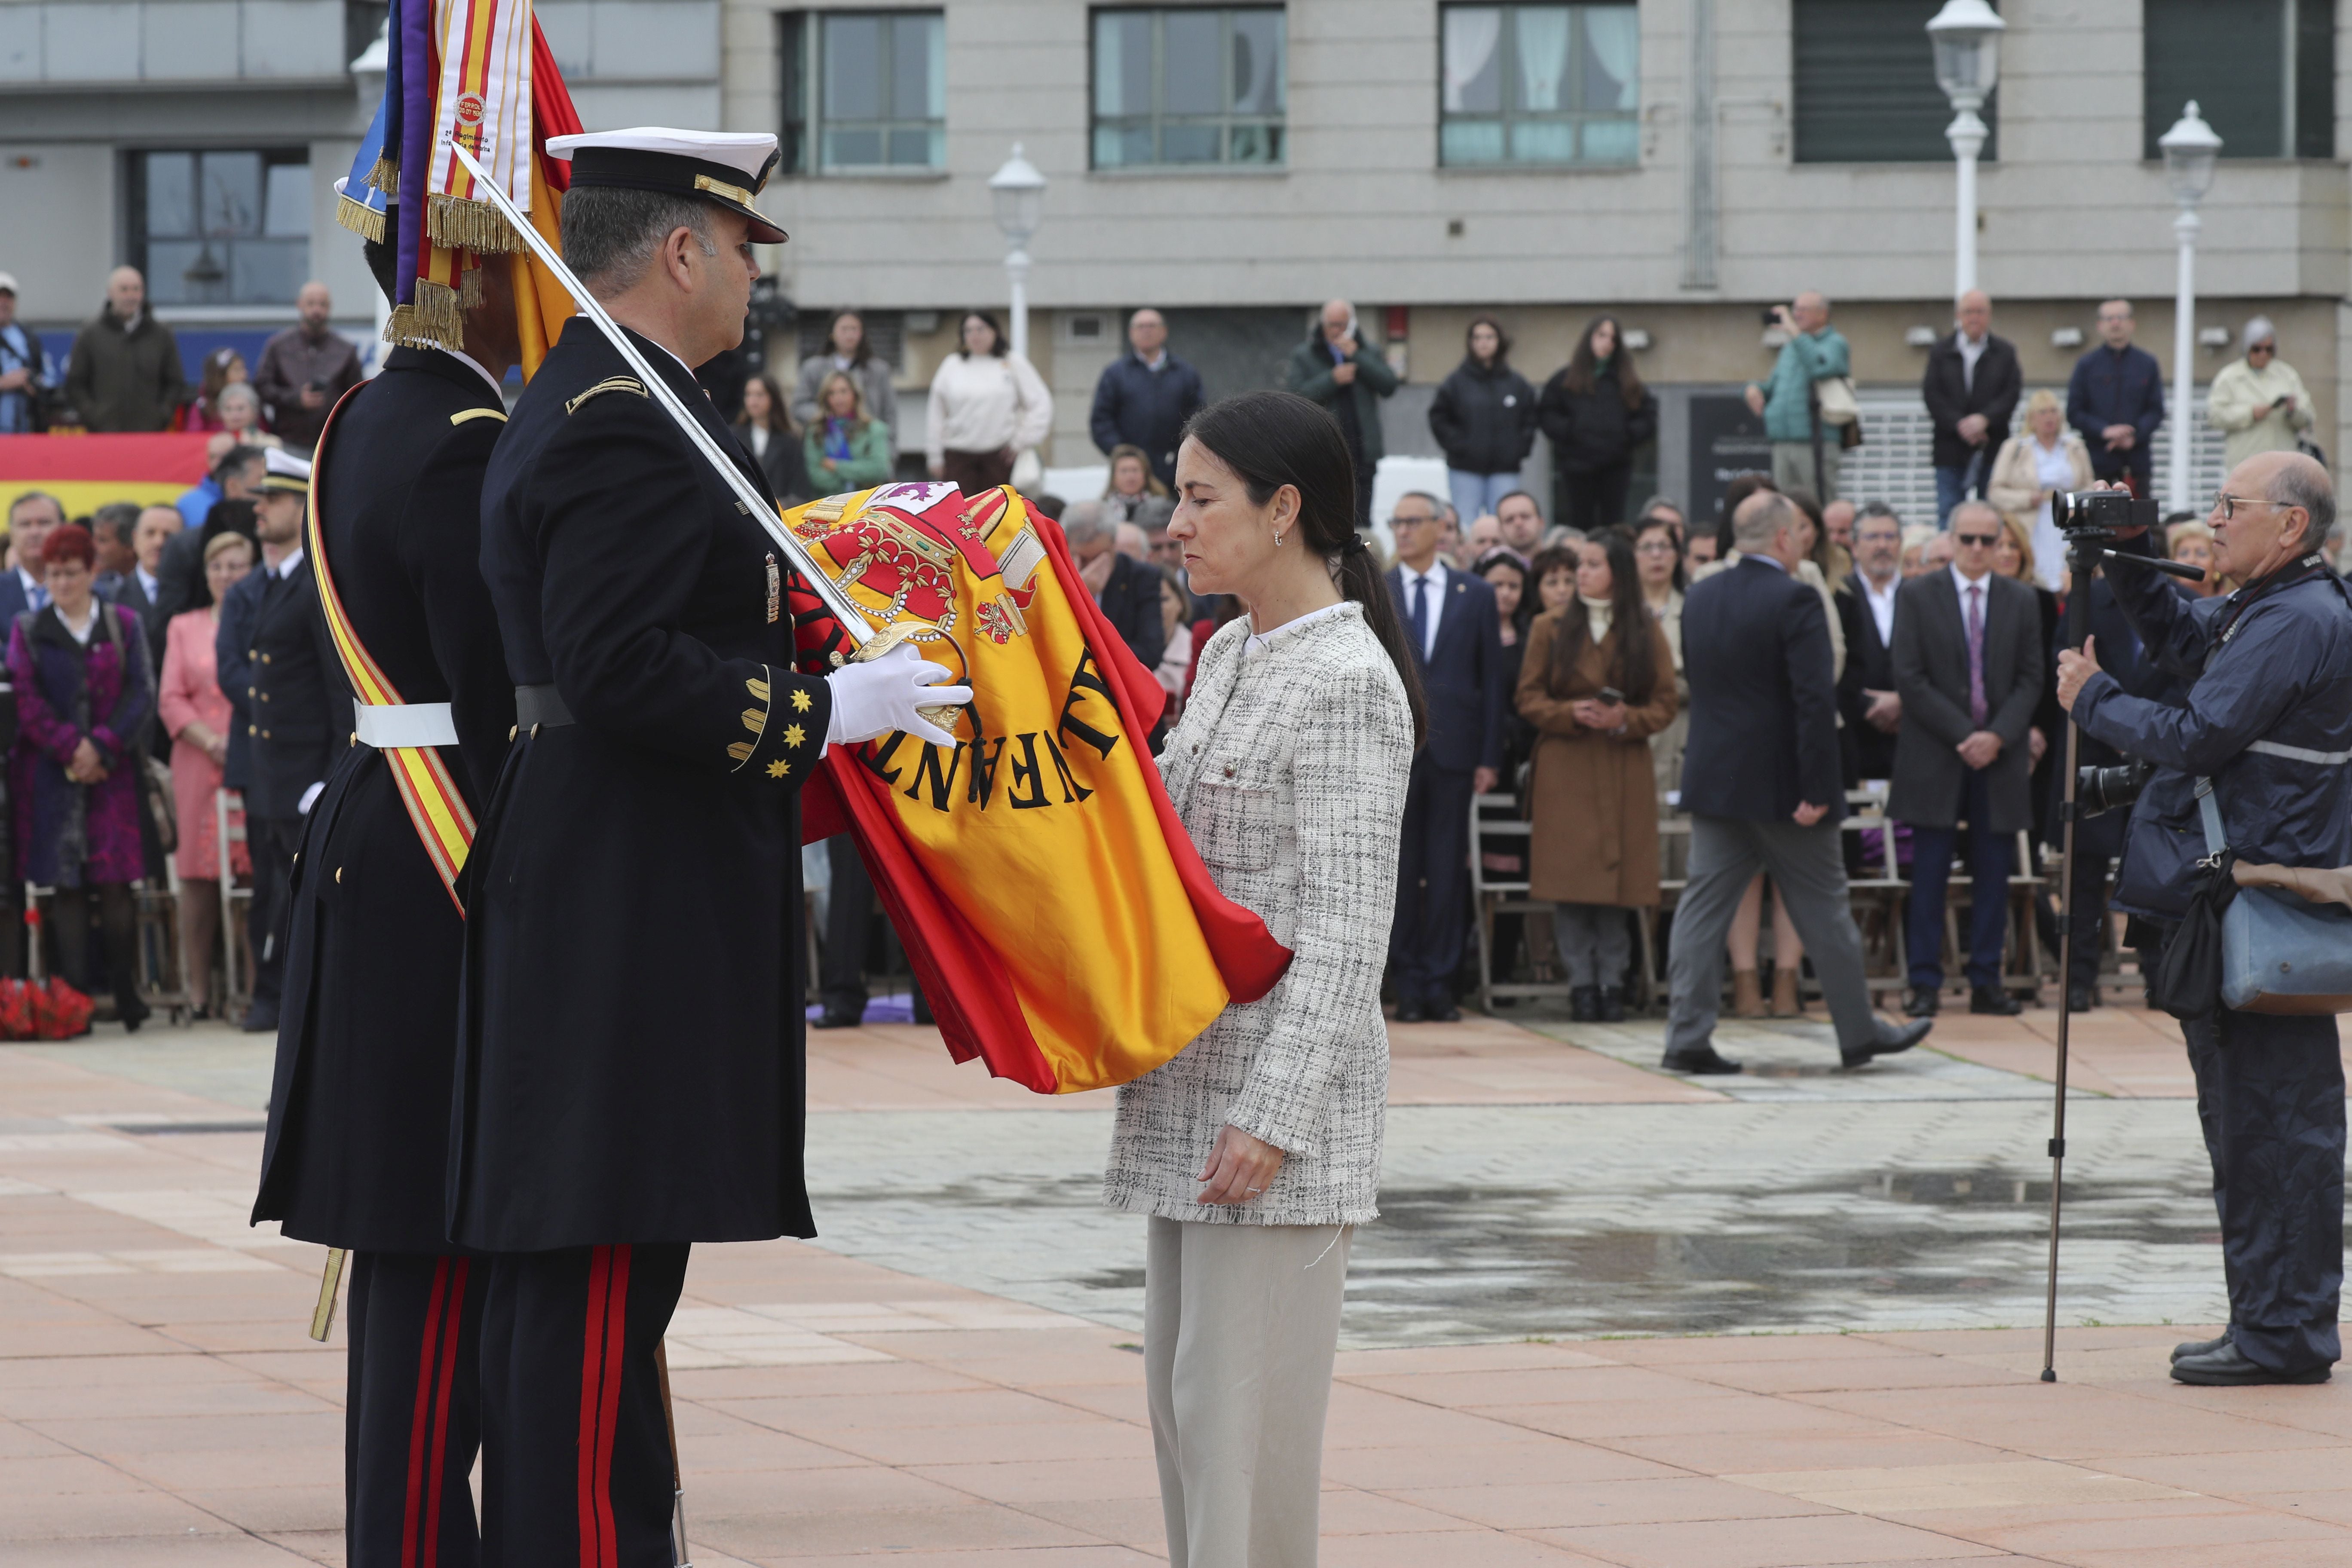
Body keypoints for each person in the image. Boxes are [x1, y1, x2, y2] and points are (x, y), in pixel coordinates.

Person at [457, 128, 971, 1558]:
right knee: (597, 1259)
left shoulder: (619, 399)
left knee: (602, 1265)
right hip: (625, 885)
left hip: (609, 870)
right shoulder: (626, 416)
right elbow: (614, 662)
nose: (757, 277)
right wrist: (823, 711)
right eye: (745, 247)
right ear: (682, 250)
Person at [248, 233, 527, 1564]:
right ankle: (415, 1539)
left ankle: (410, 1529)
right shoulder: (471, 433)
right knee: (434, 1228)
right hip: (445, 830)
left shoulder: (362, 409)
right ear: (474, 277)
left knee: (414, 1240)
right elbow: (492, 677)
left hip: (376, 814)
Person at [1102, 388, 1416, 1568]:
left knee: (1246, 1447)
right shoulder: (1232, 648)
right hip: (1199, 1091)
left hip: (1271, 1123)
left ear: (1285, 511)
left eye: (1200, 497)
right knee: (1189, 1421)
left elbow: (1347, 931)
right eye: (1176, 495)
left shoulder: (1346, 681)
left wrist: (1275, 1120)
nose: (1174, 523)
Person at [2057, 451, 2352, 1387]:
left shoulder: (2296, 618)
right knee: (2261, 1125)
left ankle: (2281, 1335)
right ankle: (2274, 1324)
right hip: (2248, 900)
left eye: (2232, 507)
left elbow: (2197, 734)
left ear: (2292, 526)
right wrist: (2129, 558)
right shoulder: (2278, 607)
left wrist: (2091, 699)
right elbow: (2193, 648)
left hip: (2259, 904)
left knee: (2271, 1129)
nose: (2216, 521)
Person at [1665, 490, 1935, 1074]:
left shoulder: (1701, 597)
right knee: (1826, 911)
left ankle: (1686, 1036)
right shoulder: (1797, 600)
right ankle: (1859, 1033)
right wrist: (1818, 787)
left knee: (1701, 910)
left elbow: (1706, 687)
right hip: (1788, 790)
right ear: (1785, 538)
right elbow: (1814, 703)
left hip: (1715, 783)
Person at [1888, 501, 2042, 1017]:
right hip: (1936, 754)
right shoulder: (1916, 594)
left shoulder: (2021, 600)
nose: (1977, 549)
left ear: (2000, 543)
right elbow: (1908, 676)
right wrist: (1965, 735)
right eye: (1968, 539)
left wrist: (1996, 737)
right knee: (1929, 873)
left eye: (1987, 540)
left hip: (1998, 759)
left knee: (1993, 874)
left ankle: (1985, 980)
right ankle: (1925, 982)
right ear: (1951, 541)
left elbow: (2031, 678)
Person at [1517, 530, 1676, 1022]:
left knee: (1619, 882)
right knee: (1572, 882)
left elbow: (1665, 702)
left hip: (1622, 762)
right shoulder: (1550, 626)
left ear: (1617, 573)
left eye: (1592, 565)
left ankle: (1613, 983)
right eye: (1581, 564)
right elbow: (1527, 697)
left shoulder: (1645, 628)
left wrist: (1625, 719)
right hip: (1568, 766)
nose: (1581, 574)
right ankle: (1582, 986)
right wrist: (1571, 713)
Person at [9, 524, 155, 1029]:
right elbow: (27, 701)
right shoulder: (28, 629)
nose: (63, 584)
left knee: (117, 886)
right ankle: (75, 1004)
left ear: (93, 572)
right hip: (53, 777)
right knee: (66, 887)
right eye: (53, 574)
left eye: (72, 573)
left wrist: (104, 746)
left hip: (112, 777)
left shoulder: (124, 624)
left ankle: (125, 992)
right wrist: (72, 748)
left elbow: (142, 693)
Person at [214, 448, 331, 1033]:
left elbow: (336, 686)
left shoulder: (314, 580)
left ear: (305, 504)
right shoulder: (269, 585)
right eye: (259, 498)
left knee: (299, 899)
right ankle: (275, 1000)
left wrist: (330, 774)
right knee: (272, 894)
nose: (261, 509)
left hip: (305, 773)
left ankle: (294, 1003)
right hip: (271, 772)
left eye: (275, 499)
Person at [1383, 490, 1505, 1022]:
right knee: (1402, 872)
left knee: (1448, 872)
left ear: (1441, 528)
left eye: (1414, 522)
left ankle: (1441, 985)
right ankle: (1407, 985)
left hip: (1456, 753)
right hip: (1398, 751)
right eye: (1397, 522)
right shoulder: (1380, 590)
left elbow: (1492, 681)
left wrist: (1490, 756)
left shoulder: (1474, 593)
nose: (1404, 531)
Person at [158, 532, 254, 1019]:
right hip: (198, 758)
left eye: (236, 567)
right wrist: (210, 741)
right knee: (196, 880)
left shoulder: (260, 617)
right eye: (218, 567)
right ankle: (199, 991)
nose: (226, 576)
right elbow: (170, 697)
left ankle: (253, 988)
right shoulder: (184, 625)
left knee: (250, 876)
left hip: (250, 753)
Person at [1539, 314, 1658, 534]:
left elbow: (1648, 415)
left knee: (1613, 525)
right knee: (1579, 523)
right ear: (1589, 338)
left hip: (1615, 465)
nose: (1607, 342)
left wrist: (1627, 435)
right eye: (1601, 335)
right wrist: (1570, 431)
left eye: (1613, 338)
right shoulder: (1566, 379)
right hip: (1577, 465)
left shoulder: (1627, 380)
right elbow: (1547, 413)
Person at [1286, 300, 1399, 530]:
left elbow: (1389, 385)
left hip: (1363, 448)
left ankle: (1360, 562)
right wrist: (1332, 380)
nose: (1337, 331)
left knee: (1362, 520)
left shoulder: (1368, 350)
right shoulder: (1305, 355)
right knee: (1328, 514)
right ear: (1322, 324)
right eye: (1332, 325)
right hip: (1324, 449)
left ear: (1352, 325)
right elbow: (1295, 396)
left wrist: (1358, 357)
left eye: (1342, 325)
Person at [1922, 290, 2022, 524]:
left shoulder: (2005, 352)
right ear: (1958, 315)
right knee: (1949, 514)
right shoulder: (1940, 352)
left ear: (1989, 315)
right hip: (1950, 449)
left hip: (1992, 447)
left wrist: (1985, 420)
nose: (1974, 318)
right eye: (1969, 312)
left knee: (1993, 515)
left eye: (1980, 312)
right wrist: (1960, 424)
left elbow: (2011, 394)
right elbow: (1932, 396)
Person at [925, 309, 1051, 494]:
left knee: (997, 514)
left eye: (980, 329)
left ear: (995, 331)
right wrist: (934, 455)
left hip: (1000, 458)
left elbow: (1040, 403)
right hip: (958, 457)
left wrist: (1022, 440)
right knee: (960, 515)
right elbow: (936, 412)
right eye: (968, 331)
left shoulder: (1011, 363)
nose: (975, 336)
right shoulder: (952, 365)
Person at [1428, 314, 1537, 525]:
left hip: (1505, 470)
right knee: (1466, 525)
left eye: (1489, 337)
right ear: (1470, 343)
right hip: (1465, 470)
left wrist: (1519, 448)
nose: (1483, 342)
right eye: (1477, 338)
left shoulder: (1516, 384)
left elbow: (1531, 418)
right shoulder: (1456, 382)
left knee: (1506, 523)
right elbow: (1439, 417)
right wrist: (1459, 445)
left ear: (1500, 341)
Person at [1744, 292, 1850, 502]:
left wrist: (1795, 333)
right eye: (1795, 310)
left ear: (1823, 315)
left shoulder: (1835, 343)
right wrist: (1752, 389)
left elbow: (1820, 367)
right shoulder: (1791, 348)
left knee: (1818, 503)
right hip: (1783, 441)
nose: (1796, 315)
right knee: (1784, 506)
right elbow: (1772, 386)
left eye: (1803, 310)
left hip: (1816, 441)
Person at [1987, 389, 2094, 592]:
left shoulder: (2075, 447)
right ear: (2032, 418)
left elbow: (2090, 485)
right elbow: (1995, 492)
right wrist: (2028, 499)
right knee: (2034, 574)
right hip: (2031, 521)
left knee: (2068, 570)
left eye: (2053, 411)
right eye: (2042, 412)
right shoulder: (2015, 447)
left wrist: (2075, 504)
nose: (2049, 417)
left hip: (2067, 518)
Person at [1090, 308, 1207, 491]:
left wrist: (1181, 456)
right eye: (1141, 326)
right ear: (1131, 333)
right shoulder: (1115, 374)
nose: (1147, 331)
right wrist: (1124, 456)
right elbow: (1101, 421)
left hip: (1175, 470)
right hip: (1131, 474)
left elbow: (1198, 417)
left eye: (1152, 326)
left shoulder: (1185, 373)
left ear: (1164, 332)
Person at [64, 268, 186, 433]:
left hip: (149, 435)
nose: (131, 296)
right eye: (124, 289)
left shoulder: (162, 334)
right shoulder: (90, 333)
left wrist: (162, 415)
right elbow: (76, 383)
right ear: (110, 293)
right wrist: (93, 416)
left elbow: (175, 383)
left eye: (137, 289)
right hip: (104, 435)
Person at [2066, 299, 2165, 494]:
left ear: (2132, 324)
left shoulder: (2147, 364)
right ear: (2099, 326)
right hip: (2098, 463)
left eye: (2121, 318)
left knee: (2138, 521)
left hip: (2137, 463)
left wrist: (2133, 436)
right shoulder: (2087, 365)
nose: (2115, 324)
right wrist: (2105, 431)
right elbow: (2074, 412)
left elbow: (2156, 410)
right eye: (2109, 319)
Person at [1838, 501, 1905, 785]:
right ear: (1854, 546)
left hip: (1909, 741)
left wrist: (1904, 701)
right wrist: (1867, 704)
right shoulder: (1838, 594)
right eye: (1873, 537)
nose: (1882, 545)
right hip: (1855, 739)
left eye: (1890, 537)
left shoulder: (1921, 595)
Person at [253, 281, 362, 451]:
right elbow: (262, 387)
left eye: (322, 304)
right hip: (287, 442)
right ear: (300, 305)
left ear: (330, 307)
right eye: (311, 304)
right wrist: (296, 399)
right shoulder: (279, 346)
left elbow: (357, 396)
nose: (316, 310)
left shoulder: (345, 350)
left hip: (331, 444)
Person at [2207, 317, 2316, 472]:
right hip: (2245, 464)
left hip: (2283, 466)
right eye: (2257, 349)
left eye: (2269, 349)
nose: (2263, 354)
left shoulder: (2287, 375)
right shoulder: (2229, 377)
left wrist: (2293, 411)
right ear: (2247, 348)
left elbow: (2309, 417)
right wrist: (2251, 413)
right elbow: (2215, 416)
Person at [1632, 514, 1689, 801]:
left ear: (1678, 556)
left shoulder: (1694, 607)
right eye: (1647, 547)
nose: (1656, 555)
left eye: (1665, 546)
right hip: (1633, 727)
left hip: (1681, 729)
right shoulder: (1620, 614)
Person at [791, 309, 899, 458]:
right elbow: (799, 407)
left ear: (862, 334)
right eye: (844, 329)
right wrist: (829, 415)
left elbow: (890, 414)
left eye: (854, 329)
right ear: (832, 334)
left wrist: (889, 453)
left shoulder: (879, 370)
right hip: (827, 451)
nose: (850, 335)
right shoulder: (813, 368)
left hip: (867, 450)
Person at [801, 368, 894, 493]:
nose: (838, 398)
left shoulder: (874, 429)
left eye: (843, 392)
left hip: (866, 504)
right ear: (826, 398)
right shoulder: (815, 432)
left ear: (855, 394)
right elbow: (817, 477)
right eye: (832, 393)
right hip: (826, 505)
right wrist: (858, 477)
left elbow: (878, 470)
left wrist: (836, 466)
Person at [733, 371, 808, 504]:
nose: (753, 401)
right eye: (749, 395)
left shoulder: (790, 441)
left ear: (773, 398)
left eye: (759, 395)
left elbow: (800, 490)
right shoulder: (733, 437)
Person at [0, 274, 56, 434]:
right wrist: (5, 383)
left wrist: (34, 383)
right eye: (0, 297)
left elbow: (48, 377)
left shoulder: (28, 337)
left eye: (8, 298)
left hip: (27, 422)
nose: (3, 303)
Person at [0, 491, 64, 622]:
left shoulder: (86, 590)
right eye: (25, 524)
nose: (34, 532)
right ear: (12, 533)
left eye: (44, 523)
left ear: (63, 529)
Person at [1102, 442, 1175, 528]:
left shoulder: (1164, 508)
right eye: (1124, 471)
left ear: (1146, 474)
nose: (1130, 477)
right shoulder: (1103, 511)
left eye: (1135, 470)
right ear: (1114, 477)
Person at [184, 347, 251, 433]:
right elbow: (193, 438)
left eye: (240, 408)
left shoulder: (251, 401)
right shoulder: (202, 407)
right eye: (237, 370)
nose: (244, 375)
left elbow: (261, 433)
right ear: (220, 376)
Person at [2170, 518, 2226, 597]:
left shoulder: (2234, 604)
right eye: (2184, 554)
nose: (2191, 560)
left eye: (2201, 554)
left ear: (2217, 562)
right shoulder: (2164, 604)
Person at [1495, 489, 1546, 558]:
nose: (1518, 524)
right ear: (1500, 530)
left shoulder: (1561, 565)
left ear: (1541, 522)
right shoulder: (1489, 568)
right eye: (1510, 520)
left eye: (1525, 516)